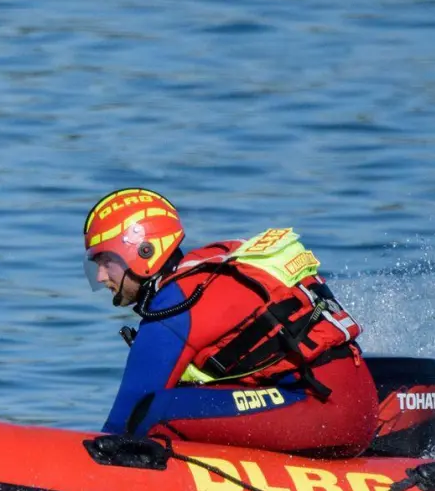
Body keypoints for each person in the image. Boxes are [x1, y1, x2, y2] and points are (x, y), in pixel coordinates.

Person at [83, 188, 378, 457]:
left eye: (105, 261)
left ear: (143, 252)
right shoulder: (209, 267)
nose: (100, 277)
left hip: (326, 412)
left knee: (151, 411)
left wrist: (84, 465)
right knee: (182, 400)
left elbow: (124, 420)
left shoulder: (174, 304)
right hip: (348, 405)